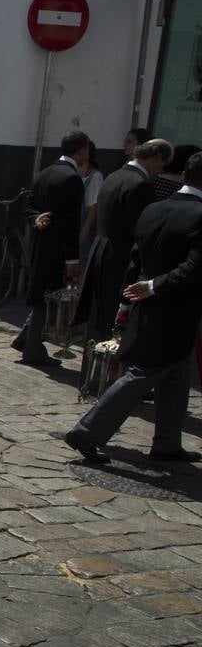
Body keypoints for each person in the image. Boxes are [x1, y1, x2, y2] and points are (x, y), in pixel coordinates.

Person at [66, 151, 202, 464]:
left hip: (147, 305)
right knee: (143, 374)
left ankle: (167, 442)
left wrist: (126, 303)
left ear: (184, 176)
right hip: (173, 310)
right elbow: (195, 268)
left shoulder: (155, 209)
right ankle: (87, 431)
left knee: (176, 378)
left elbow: (135, 260)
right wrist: (152, 288)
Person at [73, 138, 171, 342]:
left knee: (97, 313)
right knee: (111, 314)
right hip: (120, 255)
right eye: (163, 163)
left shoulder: (114, 176)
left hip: (100, 250)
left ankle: (92, 365)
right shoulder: (141, 185)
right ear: (156, 158)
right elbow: (141, 230)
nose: (162, 169)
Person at [12, 131, 87, 366]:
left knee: (40, 294)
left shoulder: (44, 173)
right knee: (46, 297)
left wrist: (35, 218)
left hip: (40, 244)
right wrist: (72, 259)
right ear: (81, 151)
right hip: (56, 249)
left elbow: (28, 206)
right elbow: (71, 223)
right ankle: (32, 348)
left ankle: (27, 340)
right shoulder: (72, 179)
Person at [77, 142, 104, 265]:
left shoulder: (95, 176)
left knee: (81, 263)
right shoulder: (71, 172)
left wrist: (86, 230)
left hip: (83, 224)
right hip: (72, 224)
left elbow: (94, 205)